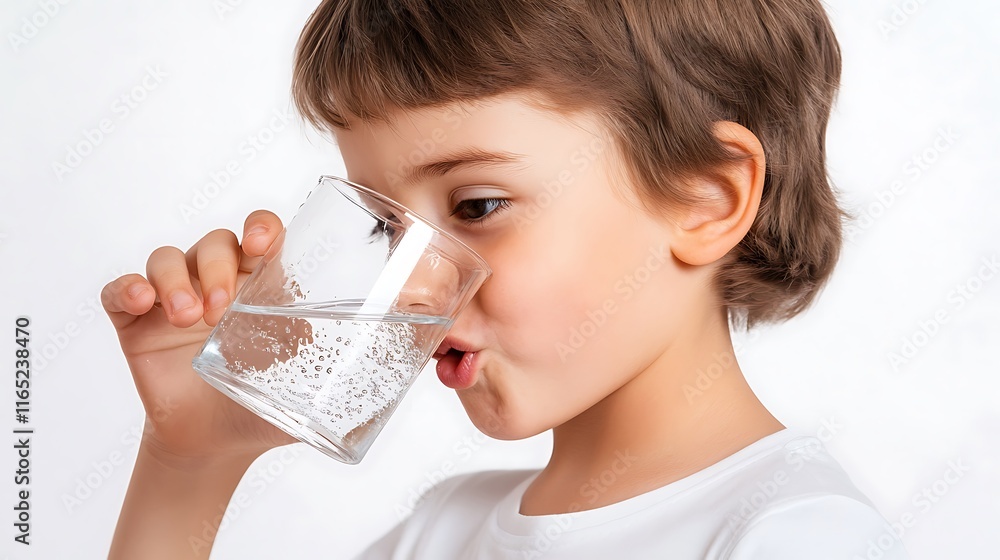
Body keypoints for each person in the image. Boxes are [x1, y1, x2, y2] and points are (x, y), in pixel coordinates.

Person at [104, 1, 909, 558]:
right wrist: (188, 464)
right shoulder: (442, 534)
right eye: (387, 227)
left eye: (478, 204)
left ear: (706, 197)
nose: (411, 285)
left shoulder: (796, 538)